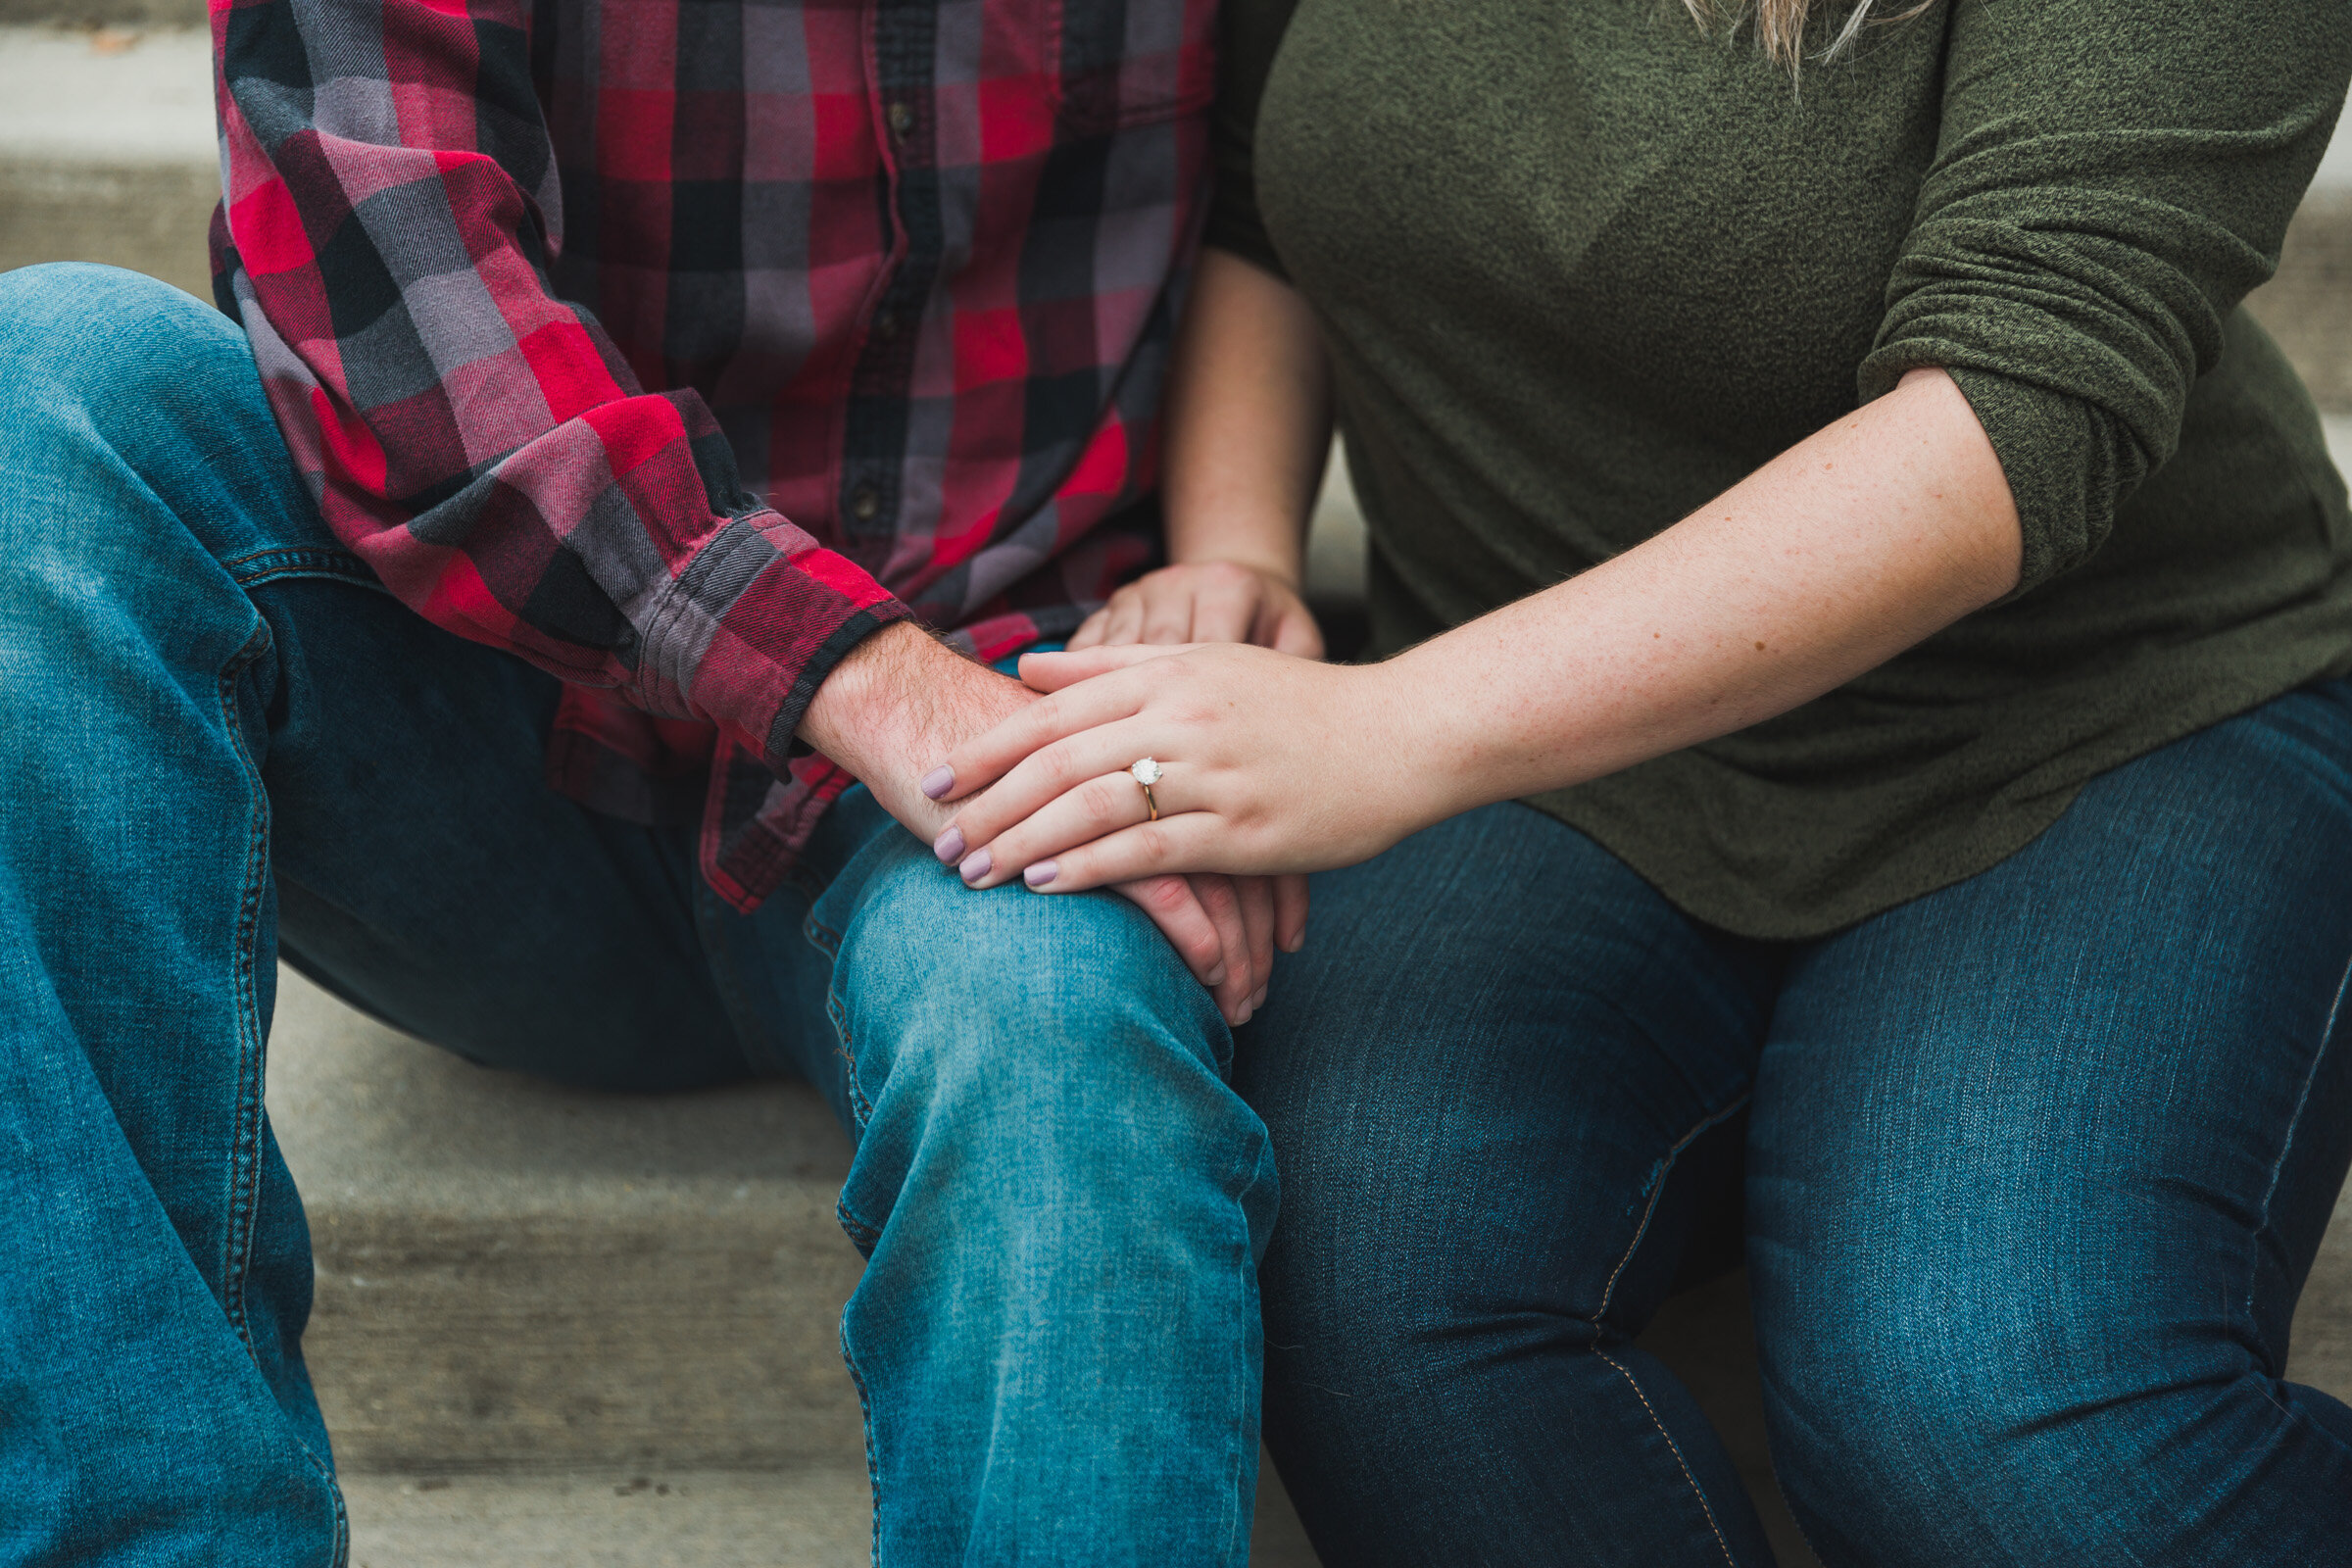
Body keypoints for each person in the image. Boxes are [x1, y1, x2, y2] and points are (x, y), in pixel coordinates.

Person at [922, 0, 2352, 1561]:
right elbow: (1269, 195)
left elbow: (2023, 405)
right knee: (1365, 1288)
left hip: (2093, 721)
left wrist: (1389, 729)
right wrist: (1242, 546)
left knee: (1984, 1414)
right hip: (1563, 758)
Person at [0, 0, 1310, 1561]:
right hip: (508, 735)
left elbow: (1278, 186)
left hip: (1007, 725)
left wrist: (1241, 561)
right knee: (48, 392)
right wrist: (855, 675)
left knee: (1058, 1029)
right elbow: (398, 280)